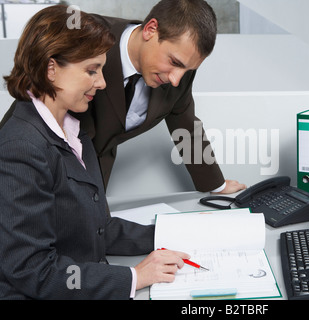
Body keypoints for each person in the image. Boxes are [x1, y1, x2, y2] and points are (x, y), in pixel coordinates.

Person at [0, 5, 189, 300]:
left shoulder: (75, 130)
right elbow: (32, 269)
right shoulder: (21, 146)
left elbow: (97, 227)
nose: (101, 83)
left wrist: (166, 236)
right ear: (51, 69)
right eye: (91, 70)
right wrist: (134, 277)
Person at [74, 0, 246, 194]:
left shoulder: (179, 75)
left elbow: (186, 127)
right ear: (150, 29)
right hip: (51, 166)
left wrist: (216, 185)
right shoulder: (84, 35)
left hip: (96, 180)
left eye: (187, 70)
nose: (175, 79)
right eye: (174, 62)